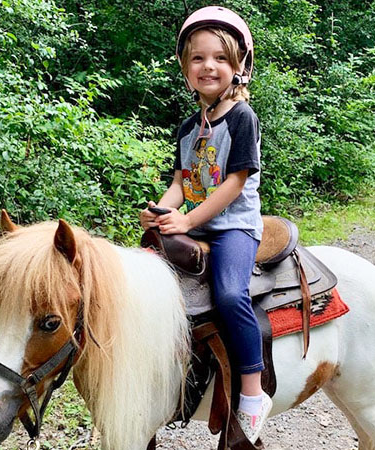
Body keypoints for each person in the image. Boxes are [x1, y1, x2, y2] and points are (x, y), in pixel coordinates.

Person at [138, 6, 271, 443]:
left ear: (239, 68)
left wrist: (187, 220)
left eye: (220, 58)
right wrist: (160, 214)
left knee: (231, 293)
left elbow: (234, 184)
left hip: (234, 226)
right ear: (185, 67)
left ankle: (252, 391)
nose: (208, 65)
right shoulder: (188, 127)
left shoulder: (241, 119)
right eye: (198, 58)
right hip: (194, 223)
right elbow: (180, 183)